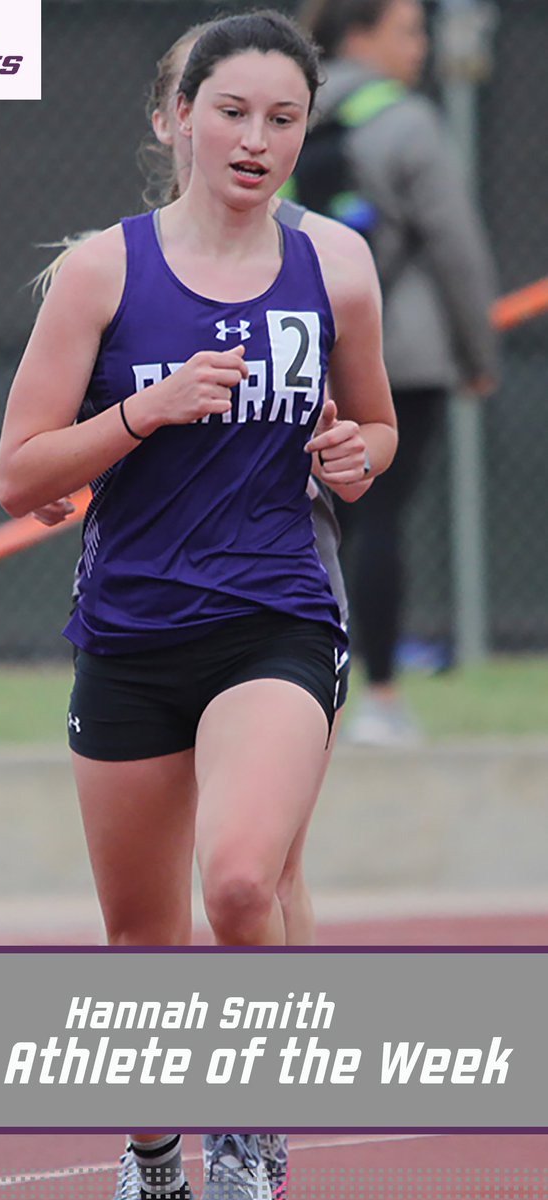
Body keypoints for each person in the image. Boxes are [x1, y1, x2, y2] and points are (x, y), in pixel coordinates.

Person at [0, 10, 396, 1198]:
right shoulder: (102, 273)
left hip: (277, 615)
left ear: (304, 133)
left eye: (283, 119)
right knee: (141, 940)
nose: (256, 139)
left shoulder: (337, 264)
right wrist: (145, 410)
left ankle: (249, 1142)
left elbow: (373, 425)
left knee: (238, 879)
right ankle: (156, 1153)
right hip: (128, 634)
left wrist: (357, 455)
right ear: (176, 118)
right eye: (232, 112)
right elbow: (21, 472)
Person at [296, 0, 498, 745]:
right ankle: (378, 698)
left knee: (315, 525)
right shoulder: (406, 121)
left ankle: (310, 696)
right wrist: (477, 354)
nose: (419, 47)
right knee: (376, 518)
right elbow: (454, 244)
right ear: (360, 33)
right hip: (403, 355)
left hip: (301, 354)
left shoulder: (288, 111)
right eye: (407, 31)